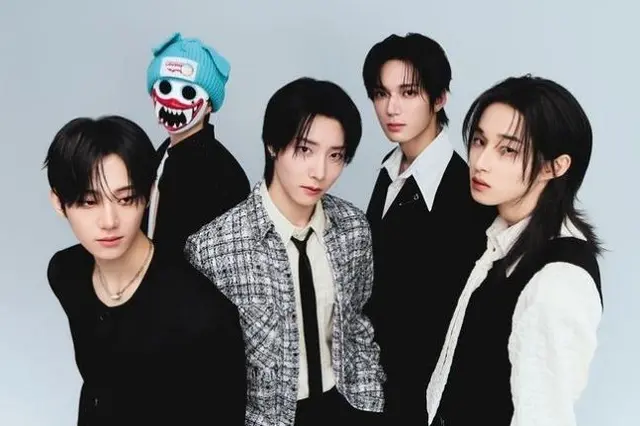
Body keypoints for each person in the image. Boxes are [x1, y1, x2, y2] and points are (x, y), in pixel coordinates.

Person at [184, 77, 385, 426]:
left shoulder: (353, 229)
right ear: (272, 145)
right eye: (305, 150)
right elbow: (206, 371)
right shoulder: (213, 248)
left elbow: (357, 321)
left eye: (335, 156)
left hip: (345, 407)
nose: (320, 172)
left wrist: (370, 399)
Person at [44, 115, 246, 425]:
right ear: (59, 203)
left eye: (125, 199)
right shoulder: (66, 272)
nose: (109, 221)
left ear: (149, 193)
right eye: (88, 202)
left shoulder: (202, 314)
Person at [427, 75, 604, 426]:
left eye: (508, 150)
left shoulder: (557, 282)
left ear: (555, 166)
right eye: (479, 141)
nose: (480, 162)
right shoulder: (499, 237)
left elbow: (543, 416)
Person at [361, 32, 496, 424]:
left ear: (439, 99)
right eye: (381, 94)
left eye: (408, 93)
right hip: (376, 393)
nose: (391, 108)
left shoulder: (469, 192)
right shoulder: (389, 173)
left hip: (429, 404)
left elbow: (467, 325)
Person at [144, 32, 250, 256]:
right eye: (165, 88)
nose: (173, 100)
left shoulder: (225, 174)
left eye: (188, 92)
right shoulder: (159, 156)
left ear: (209, 105)